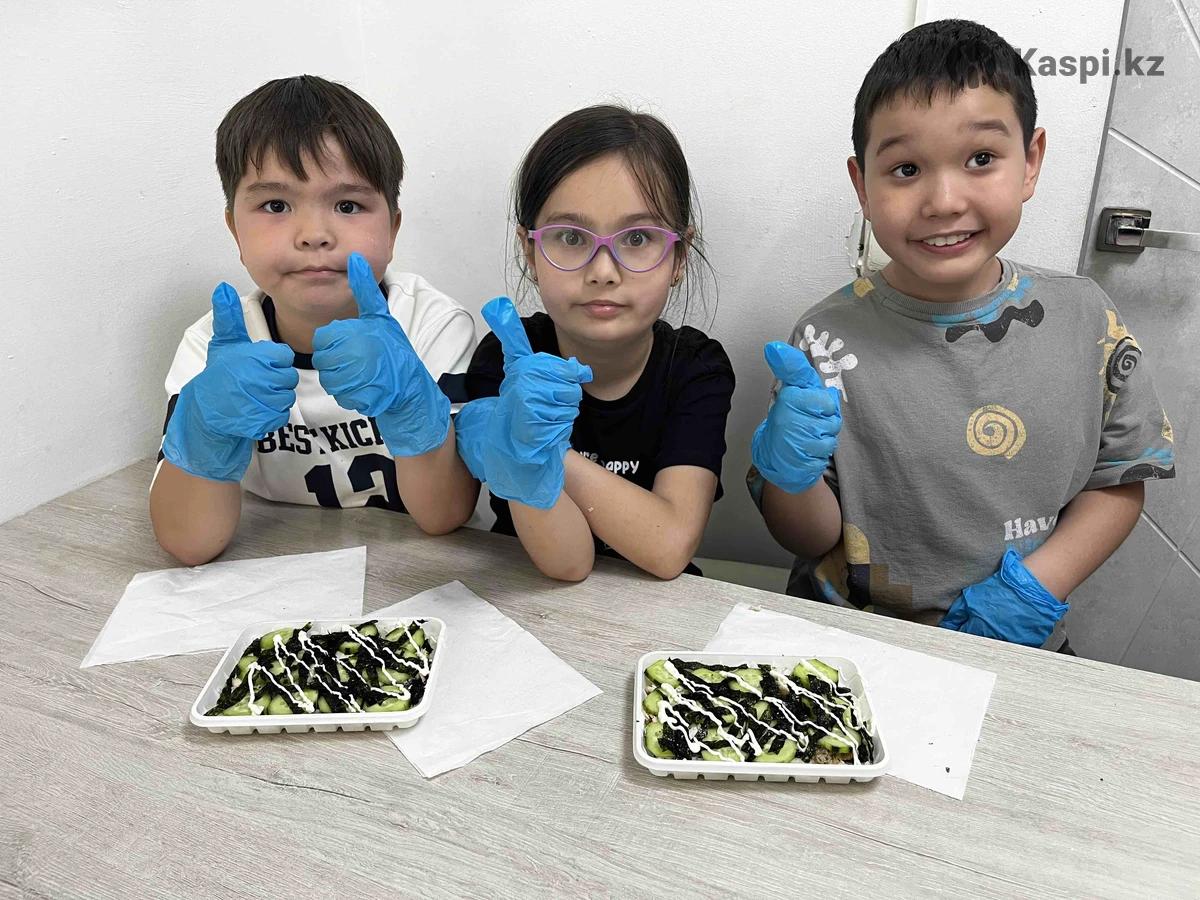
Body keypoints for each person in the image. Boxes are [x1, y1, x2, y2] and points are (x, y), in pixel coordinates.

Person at [749, 20, 1175, 650]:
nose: (944, 201)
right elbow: (809, 537)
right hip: (849, 640)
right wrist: (790, 476)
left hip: (1019, 639)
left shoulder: (1086, 319)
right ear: (862, 185)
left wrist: (1035, 589)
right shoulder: (826, 339)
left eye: (981, 159)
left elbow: (1119, 479)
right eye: (906, 168)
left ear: (1030, 162)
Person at [151, 75, 477, 566]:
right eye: (275, 205)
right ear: (234, 229)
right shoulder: (211, 346)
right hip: (275, 565)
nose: (314, 234)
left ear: (392, 228)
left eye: (348, 206)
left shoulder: (432, 325)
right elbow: (189, 544)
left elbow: (445, 515)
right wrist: (207, 433)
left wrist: (413, 405)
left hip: (407, 563)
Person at [456, 105, 735, 581]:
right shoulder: (508, 357)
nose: (603, 271)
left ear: (680, 256)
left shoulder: (695, 368)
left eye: (638, 238)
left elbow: (668, 547)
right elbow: (567, 564)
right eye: (570, 237)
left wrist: (543, 451)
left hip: (659, 611)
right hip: (525, 594)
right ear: (530, 251)